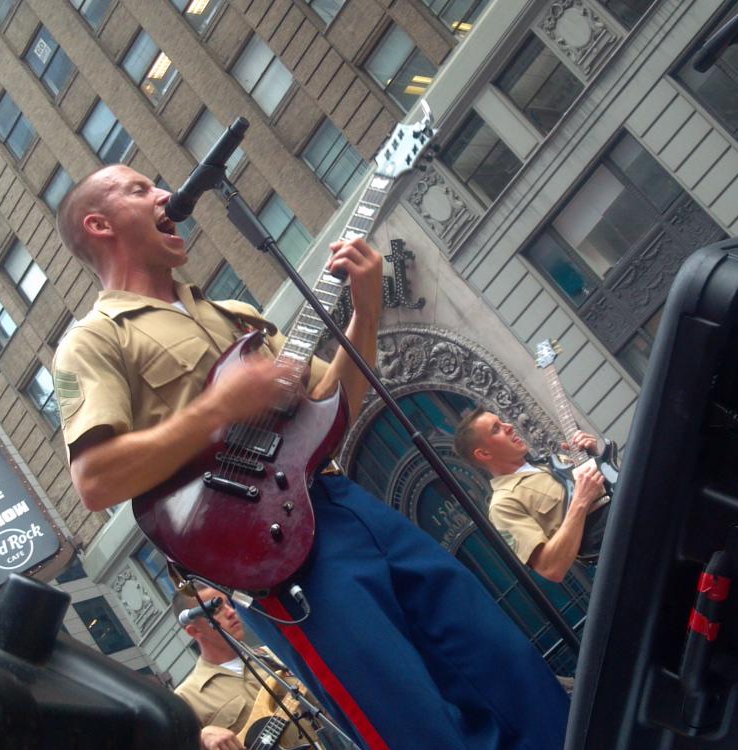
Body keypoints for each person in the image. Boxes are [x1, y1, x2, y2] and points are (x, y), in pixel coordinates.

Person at [51, 164, 569, 750]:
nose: (167, 195)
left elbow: (334, 406)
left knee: (501, 661)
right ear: (99, 224)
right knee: (410, 719)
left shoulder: (232, 315)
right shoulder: (92, 339)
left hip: (344, 504)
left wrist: (365, 312)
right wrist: (215, 410)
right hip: (269, 553)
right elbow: (94, 480)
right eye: (140, 190)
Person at [454, 409, 606, 582]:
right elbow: (551, 568)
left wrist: (595, 457)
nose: (509, 426)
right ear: (484, 454)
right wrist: (580, 502)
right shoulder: (502, 505)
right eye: (496, 429)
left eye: (502, 421)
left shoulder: (552, 462)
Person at [173, 583, 318, 750]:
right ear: (194, 631)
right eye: (216, 609)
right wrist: (201, 739)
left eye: (229, 603)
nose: (231, 612)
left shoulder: (274, 655)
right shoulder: (186, 698)